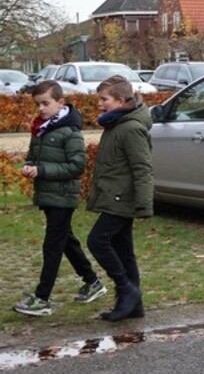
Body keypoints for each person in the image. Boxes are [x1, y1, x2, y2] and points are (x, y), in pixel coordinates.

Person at [13, 81, 106, 317]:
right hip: (48, 195)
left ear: (60, 102)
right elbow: (34, 156)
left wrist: (42, 170)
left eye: (46, 103)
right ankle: (93, 282)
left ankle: (42, 298)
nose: (41, 108)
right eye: (38, 104)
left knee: (52, 246)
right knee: (66, 241)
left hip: (63, 197)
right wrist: (29, 166)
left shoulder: (70, 131)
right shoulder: (41, 127)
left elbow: (77, 166)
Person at [86, 76, 153, 323]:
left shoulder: (130, 128)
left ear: (121, 101)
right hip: (115, 195)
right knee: (124, 249)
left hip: (121, 198)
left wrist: (144, 204)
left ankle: (126, 289)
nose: (100, 104)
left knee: (97, 240)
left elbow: (142, 168)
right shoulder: (116, 123)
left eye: (104, 99)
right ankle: (134, 305)